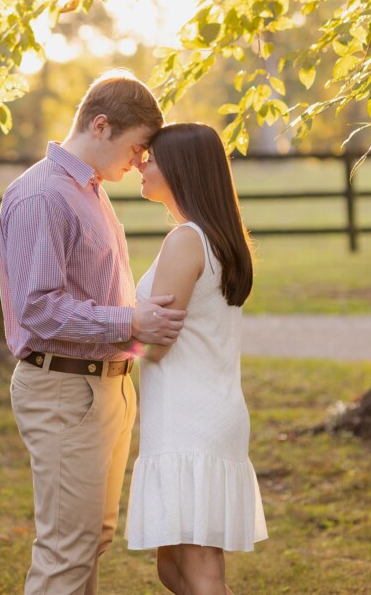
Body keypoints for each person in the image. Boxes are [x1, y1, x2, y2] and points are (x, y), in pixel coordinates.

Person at [0, 71, 187, 595]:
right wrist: (132, 320)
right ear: (101, 126)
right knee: (66, 550)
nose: (142, 160)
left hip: (104, 385)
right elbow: (40, 309)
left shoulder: (91, 192)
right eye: (138, 146)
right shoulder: (43, 195)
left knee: (91, 540)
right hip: (64, 388)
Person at [126, 122, 268, 595]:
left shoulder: (187, 240)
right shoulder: (215, 238)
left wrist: (108, 344)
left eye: (151, 157)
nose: (140, 164)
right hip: (200, 412)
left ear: (181, 168)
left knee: (202, 572)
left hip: (191, 418)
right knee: (174, 570)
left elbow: (157, 340)